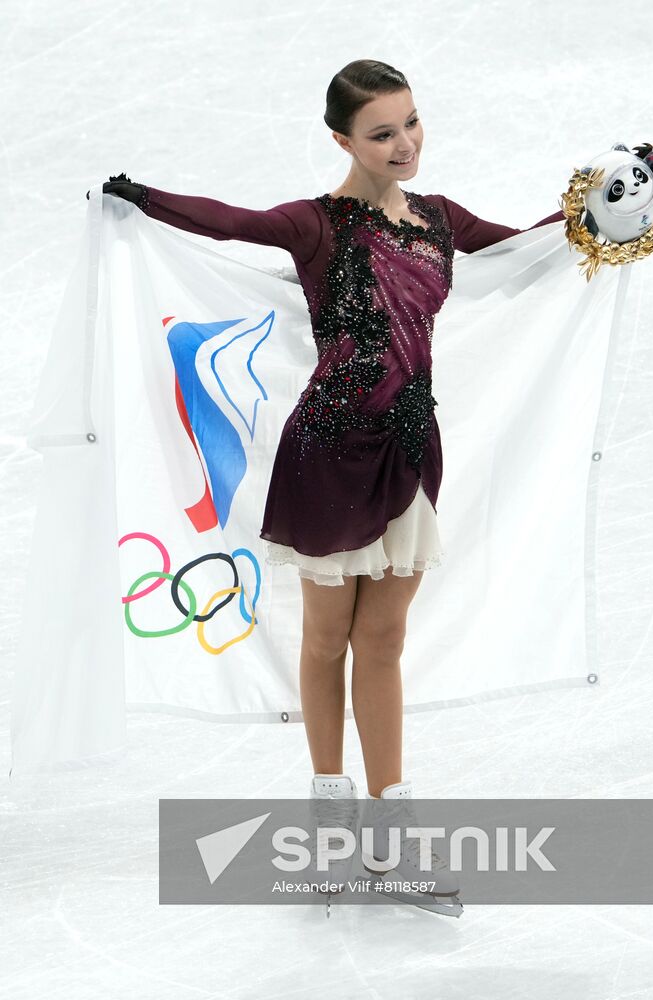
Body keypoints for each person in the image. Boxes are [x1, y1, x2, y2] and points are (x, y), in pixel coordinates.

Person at [90, 59, 564, 911]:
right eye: (382, 132)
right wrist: (147, 198)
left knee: (382, 644)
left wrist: (602, 216)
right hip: (331, 450)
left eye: (412, 122)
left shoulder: (441, 220)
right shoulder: (318, 225)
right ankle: (330, 839)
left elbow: (529, 248)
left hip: (411, 448)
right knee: (324, 643)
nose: (405, 143)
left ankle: (388, 847)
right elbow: (233, 222)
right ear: (342, 139)